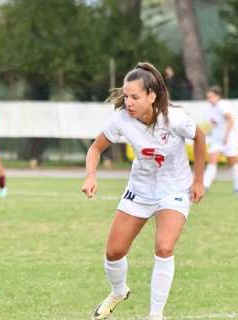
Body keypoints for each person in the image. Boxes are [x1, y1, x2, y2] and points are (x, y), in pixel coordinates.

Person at [82, 62, 205, 320]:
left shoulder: (174, 118)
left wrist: (198, 180)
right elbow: (95, 149)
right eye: (126, 96)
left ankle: (155, 315)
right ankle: (118, 292)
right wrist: (91, 176)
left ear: (152, 96)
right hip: (140, 189)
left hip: (174, 189)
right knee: (113, 253)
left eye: (135, 97)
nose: (128, 102)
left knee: (163, 247)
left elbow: (200, 137)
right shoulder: (121, 120)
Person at [203, 86, 238, 193]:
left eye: (211, 97)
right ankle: (205, 186)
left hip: (228, 140)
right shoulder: (210, 109)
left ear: (217, 96)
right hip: (216, 140)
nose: (209, 99)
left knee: (232, 163)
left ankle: (237, 187)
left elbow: (231, 121)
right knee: (212, 162)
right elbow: (213, 124)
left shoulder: (223, 106)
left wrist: (226, 137)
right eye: (208, 97)